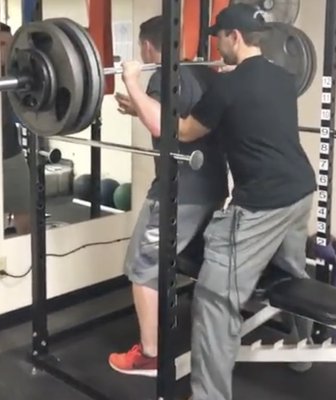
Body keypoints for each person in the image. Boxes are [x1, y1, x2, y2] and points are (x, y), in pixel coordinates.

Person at [175, 4, 317, 399]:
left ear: (234, 37)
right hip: (300, 191)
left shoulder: (228, 87)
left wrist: (136, 96)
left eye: (219, 36)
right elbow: (253, 119)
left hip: (261, 206)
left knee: (215, 298)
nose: (216, 44)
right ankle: (304, 352)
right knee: (291, 270)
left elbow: (184, 132)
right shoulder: (284, 77)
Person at [108, 16, 228, 377]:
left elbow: (164, 125)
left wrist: (131, 81)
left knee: (142, 266)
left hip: (180, 193)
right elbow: (180, 117)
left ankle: (149, 354)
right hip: (213, 189)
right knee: (176, 259)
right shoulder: (204, 72)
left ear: (147, 47)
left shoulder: (163, 75)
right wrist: (140, 105)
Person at [0, 22, 31, 235]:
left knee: (26, 213)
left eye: (9, 44)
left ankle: (26, 262)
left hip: (11, 153)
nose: (7, 50)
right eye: (2, 44)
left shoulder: (17, 74)